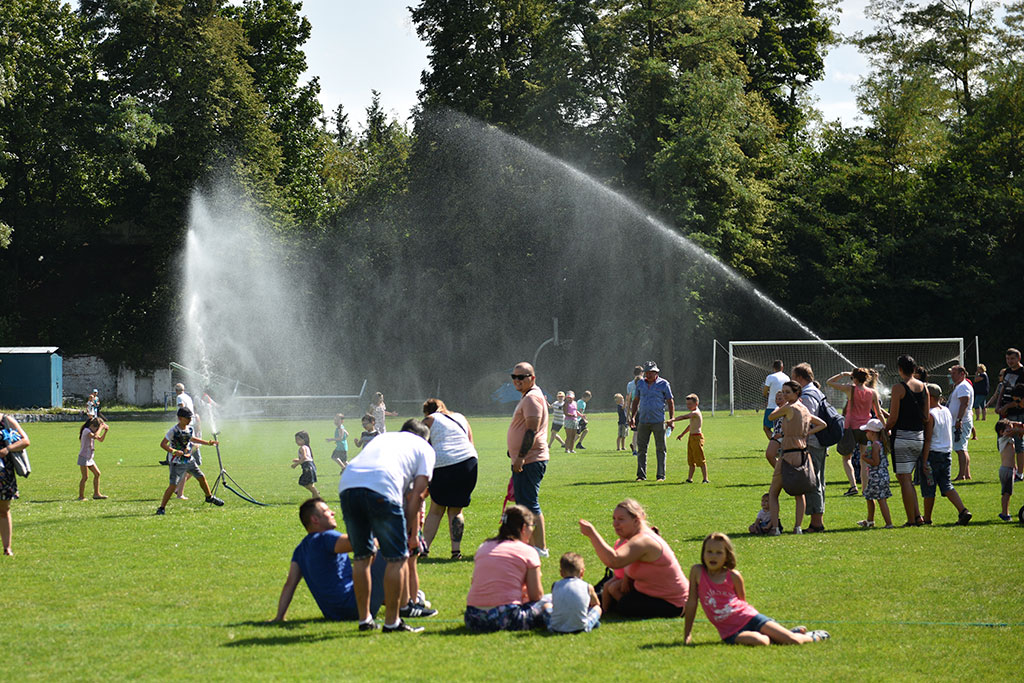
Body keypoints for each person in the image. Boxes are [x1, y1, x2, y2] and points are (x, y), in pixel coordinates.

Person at [338, 419, 434, 633]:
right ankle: (392, 622)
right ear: (424, 438)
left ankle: (365, 620)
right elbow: (417, 494)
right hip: (382, 487)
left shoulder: (383, 438)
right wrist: (412, 533)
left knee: (362, 556)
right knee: (397, 558)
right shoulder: (424, 448)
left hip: (348, 485)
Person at [683, 533, 829, 646]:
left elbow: (743, 602)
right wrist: (687, 634)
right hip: (730, 632)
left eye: (719, 552)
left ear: (727, 555)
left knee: (794, 641)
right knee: (762, 641)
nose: (713, 556)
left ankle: (812, 636)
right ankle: (782, 635)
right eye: (709, 551)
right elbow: (691, 603)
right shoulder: (697, 571)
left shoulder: (733, 576)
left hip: (750, 618)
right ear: (703, 553)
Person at [271, 497, 386, 622]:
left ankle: (395, 601)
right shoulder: (326, 537)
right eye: (326, 511)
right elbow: (363, 544)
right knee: (392, 552)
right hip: (356, 607)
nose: (333, 513)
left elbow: (290, 584)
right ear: (315, 519)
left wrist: (279, 616)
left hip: (333, 614)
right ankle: (404, 606)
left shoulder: (300, 549)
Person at [578, 499, 689, 618]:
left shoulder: (644, 540)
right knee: (598, 597)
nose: (615, 524)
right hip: (648, 594)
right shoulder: (635, 538)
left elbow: (614, 560)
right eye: (614, 519)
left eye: (621, 519)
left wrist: (592, 533)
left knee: (624, 605)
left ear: (636, 521)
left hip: (672, 603)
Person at [464, 505, 547, 633]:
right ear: (524, 528)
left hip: (473, 617)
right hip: (508, 617)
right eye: (532, 526)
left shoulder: (484, 547)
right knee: (549, 601)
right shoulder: (528, 551)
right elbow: (536, 595)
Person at [420, 398, 478, 560]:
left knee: (436, 509)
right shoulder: (460, 417)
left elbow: (419, 445)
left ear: (427, 412)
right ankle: (455, 552)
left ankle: (424, 549)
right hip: (469, 462)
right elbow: (470, 443)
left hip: (443, 464)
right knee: (456, 510)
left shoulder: (429, 420)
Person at [766, 381, 826, 535]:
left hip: (788, 454)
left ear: (796, 393)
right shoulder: (804, 409)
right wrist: (806, 434)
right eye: (783, 392)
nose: (784, 395)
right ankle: (797, 527)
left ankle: (775, 528)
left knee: (773, 492)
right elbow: (822, 424)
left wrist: (783, 406)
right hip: (803, 454)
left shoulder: (789, 408)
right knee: (799, 493)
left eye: (787, 392)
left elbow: (772, 416)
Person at [507, 361, 550, 555]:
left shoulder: (532, 398)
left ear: (532, 378)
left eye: (521, 377)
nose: (517, 380)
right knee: (524, 504)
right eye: (514, 377)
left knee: (529, 504)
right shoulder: (530, 395)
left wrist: (521, 457)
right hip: (527, 458)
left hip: (530, 459)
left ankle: (540, 548)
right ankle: (532, 546)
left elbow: (531, 429)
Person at [884, 354, 928, 527]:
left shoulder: (898, 388)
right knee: (908, 479)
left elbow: (893, 417)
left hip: (902, 437)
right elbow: (926, 417)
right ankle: (917, 516)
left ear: (900, 369)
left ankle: (911, 520)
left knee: (904, 480)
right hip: (919, 437)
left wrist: (884, 429)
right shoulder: (923, 386)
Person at [827, 368, 885, 497]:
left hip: (851, 427)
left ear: (855, 378)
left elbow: (829, 382)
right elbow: (879, 412)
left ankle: (853, 486)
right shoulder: (872, 392)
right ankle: (865, 489)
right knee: (864, 459)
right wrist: (885, 427)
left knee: (846, 458)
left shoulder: (850, 389)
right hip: (866, 428)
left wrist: (842, 374)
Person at [155, 407, 223, 515]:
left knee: (201, 477)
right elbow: (163, 444)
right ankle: (161, 508)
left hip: (189, 460)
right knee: (173, 485)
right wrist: (173, 451)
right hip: (176, 462)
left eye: (190, 418)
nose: (190, 420)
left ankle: (209, 497)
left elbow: (192, 439)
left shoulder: (189, 429)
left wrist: (208, 443)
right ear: (180, 418)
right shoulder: (174, 431)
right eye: (187, 418)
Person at [921, 384, 973, 525]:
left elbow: (928, 439)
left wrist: (924, 460)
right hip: (946, 453)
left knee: (929, 487)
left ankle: (927, 518)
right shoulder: (946, 410)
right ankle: (963, 510)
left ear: (930, 397)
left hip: (933, 454)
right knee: (946, 485)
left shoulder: (931, 414)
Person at [790, 363, 828, 532]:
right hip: (819, 442)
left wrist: (802, 436)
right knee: (818, 481)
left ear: (799, 378)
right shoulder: (817, 391)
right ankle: (817, 519)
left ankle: (816, 523)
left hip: (812, 443)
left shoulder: (808, 394)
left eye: (793, 377)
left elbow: (808, 418)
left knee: (813, 482)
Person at [629, 361, 675, 481]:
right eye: (647, 372)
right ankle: (641, 475)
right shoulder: (640, 384)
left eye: (651, 372)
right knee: (641, 449)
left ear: (656, 373)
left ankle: (660, 475)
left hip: (658, 421)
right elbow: (636, 400)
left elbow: (670, 402)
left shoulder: (664, 384)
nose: (649, 375)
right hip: (643, 420)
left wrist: (672, 419)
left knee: (661, 449)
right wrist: (632, 416)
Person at [546, 552, 602, 634]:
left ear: (561, 573)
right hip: (581, 627)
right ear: (582, 572)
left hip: (556, 627)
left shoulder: (555, 585)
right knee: (597, 608)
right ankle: (591, 623)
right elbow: (596, 603)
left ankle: (550, 624)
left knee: (547, 606)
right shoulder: (587, 587)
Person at [0, 412, 30, 555]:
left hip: (4, 474)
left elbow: (25, 441)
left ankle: (7, 548)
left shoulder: (6, 420)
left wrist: (7, 449)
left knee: (4, 510)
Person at [856, 418, 893, 528]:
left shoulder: (876, 445)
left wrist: (864, 458)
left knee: (881, 500)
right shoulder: (879, 444)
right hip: (880, 475)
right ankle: (869, 520)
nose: (865, 433)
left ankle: (889, 523)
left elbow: (875, 462)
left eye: (867, 431)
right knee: (869, 497)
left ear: (872, 433)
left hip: (877, 476)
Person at [995, 349, 1024, 480]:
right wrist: (998, 404)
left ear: (1019, 358)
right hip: (1004, 412)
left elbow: (1021, 398)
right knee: (1002, 441)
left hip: (1017, 412)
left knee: (1018, 443)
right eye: (1007, 359)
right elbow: (1002, 389)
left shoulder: (1022, 373)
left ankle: (1020, 473)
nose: (1009, 361)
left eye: (1012, 359)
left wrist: (1007, 406)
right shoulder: (1007, 371)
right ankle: (1012, 469)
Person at [948, 365, 974, 481]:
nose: (951, 376)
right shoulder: (960, 386)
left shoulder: (963, 386)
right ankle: (966, 474)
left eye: (954, 373)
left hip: (961, 422)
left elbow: (965, 403)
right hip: (960, 421)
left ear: (962, 374)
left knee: (960, 449)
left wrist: (959, 420)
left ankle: (961, 475)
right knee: (962, 448)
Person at [673, 393, 706, 483]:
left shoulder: (695, 413)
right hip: (691, 437)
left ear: (696, 404)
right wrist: (682, 434)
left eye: (690, 404)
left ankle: (705, 479)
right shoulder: (693, 414)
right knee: (691, 459)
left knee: (700, 458)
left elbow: (684, 417)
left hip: (697, 438)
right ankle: (689, 478)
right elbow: (690, 426)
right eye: (687, 404)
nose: (688, 406)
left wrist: (672, 420)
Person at [995, 419, 1023, 521]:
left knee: (1007, 492)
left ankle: (1005, 512)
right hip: (1006, 470)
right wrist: (1017, 428)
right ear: (1002, 432)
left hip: (1010, 470)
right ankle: (1004, 513)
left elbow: (1012, 455)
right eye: (1008, 428)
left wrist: (1014, 423)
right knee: (1006, 493)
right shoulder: (1003, 438)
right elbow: (1011, 431)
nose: (1011, 429)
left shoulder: (1009, 439)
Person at [77, 417, 110, 501]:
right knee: (85, 477)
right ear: (92, 425)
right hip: (83, 457)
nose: (96, 430)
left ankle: (96, 494)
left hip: (89, 457)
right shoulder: (86, 431)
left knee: (97, 474)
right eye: (96, 428)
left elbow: (101, 439)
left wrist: (105, 431)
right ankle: (81, 496)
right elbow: (95, 436)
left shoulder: (91, 432)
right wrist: (101, 427)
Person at [762, 361, 789, 439]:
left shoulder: (770, 377)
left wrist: (767, 393)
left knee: (766, 428)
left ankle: (775, 444)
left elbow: (764, 392)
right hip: (784, 407)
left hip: (772, 406)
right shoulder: (787, 377)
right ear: (782, 367)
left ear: (773, 368)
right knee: (782, 429)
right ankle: (780, 444)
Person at [291, 431, 319, 498]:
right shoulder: (306, 447)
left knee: (307, 483)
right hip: (310, 466)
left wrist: (296, 464)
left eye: (299, 439)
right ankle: (315, 495)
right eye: (296, 440)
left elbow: (304, 458)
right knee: (309, 483)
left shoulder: (303, 448)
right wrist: (298, 460)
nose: (297, 441)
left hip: (308, 467)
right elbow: (307, 458)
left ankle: (316, 494)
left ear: (304, 440)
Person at [626, 365, 643, 455]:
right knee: (641, 431)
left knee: (636, 432)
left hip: (634, 410)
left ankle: (635, 448)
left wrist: (628, 415)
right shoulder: (645, 383)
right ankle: (638, 447)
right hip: (641, 411)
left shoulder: (630, 385)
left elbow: (628, 400)